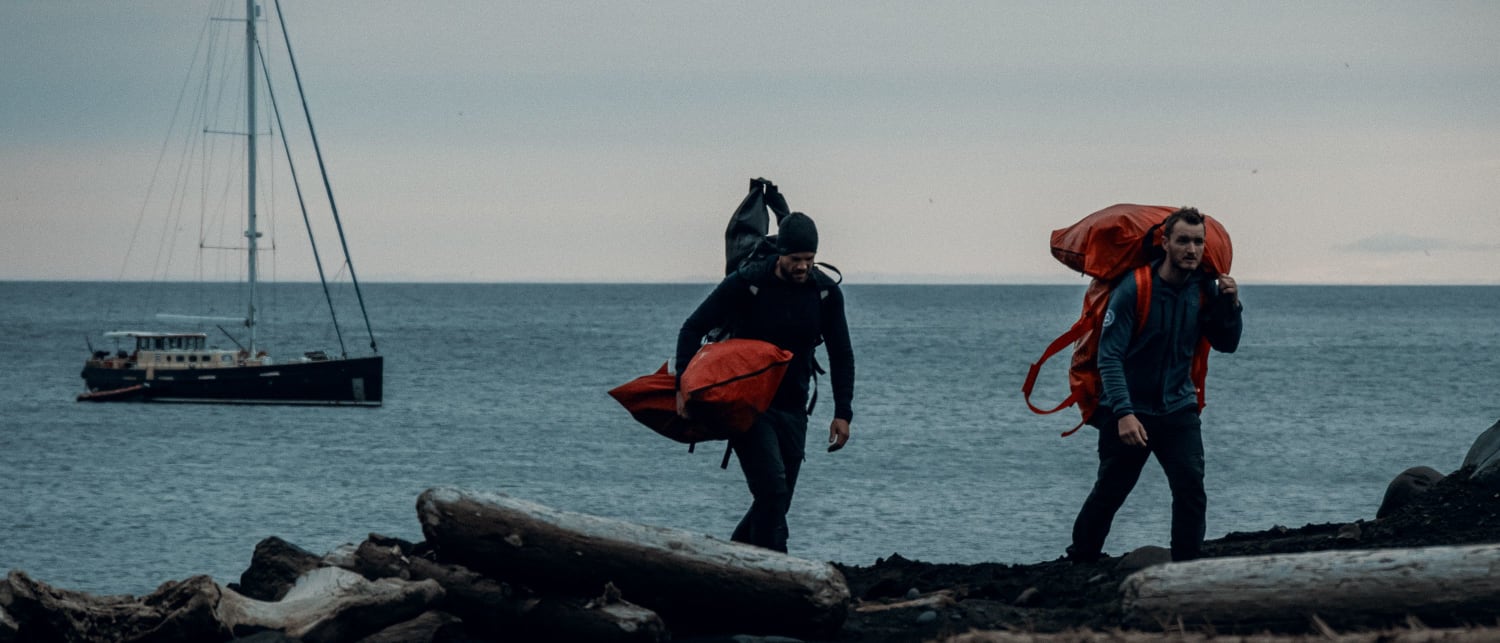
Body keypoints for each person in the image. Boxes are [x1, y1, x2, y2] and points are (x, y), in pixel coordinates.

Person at [1067, 207, 1243, 563]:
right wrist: (1124, 413)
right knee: (1111, 490)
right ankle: (1081, 559)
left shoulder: (1203, 289)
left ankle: (1187, 567)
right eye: (1183, 241)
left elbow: (1227, 343)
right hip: (1129, 411)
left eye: (1198, 242)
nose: (1191, 249)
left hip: (1178, 407)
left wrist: (1232, 304)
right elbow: (1109, 357)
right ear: (1165, 243)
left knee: (1190, 487)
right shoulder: (1135, 289)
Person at [675, 211, 855, 553]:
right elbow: (692, 327)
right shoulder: (749, 282)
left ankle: (731, 562)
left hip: (794, 408)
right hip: (748, 407)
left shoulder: (825, 293)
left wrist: (842, 412)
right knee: (771, 491)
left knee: (776, 501)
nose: (803, 266)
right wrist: (682, 386)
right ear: (780, 253)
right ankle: (780, 567)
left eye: (809, 258)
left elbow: (841, 354)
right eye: (795, 259)